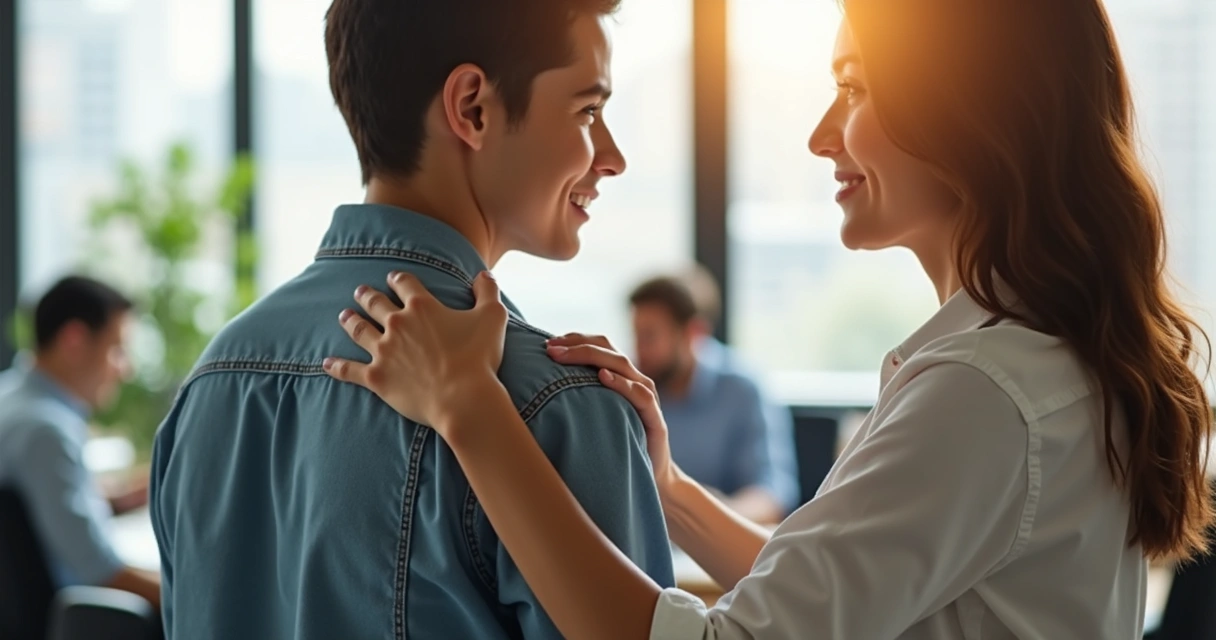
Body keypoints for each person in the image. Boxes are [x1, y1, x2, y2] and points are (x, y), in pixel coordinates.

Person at [323, 0, 1215, 637]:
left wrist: (470, 410)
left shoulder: (984, 395)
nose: (823, 134)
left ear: (970, 109)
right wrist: (669, 489)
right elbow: (838, 600)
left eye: (855, 89)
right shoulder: (1031, 364)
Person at [149, 1, 674, 638]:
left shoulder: (212, 380)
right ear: (472, 109)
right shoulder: (562, 405)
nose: (612, 157)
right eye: (587, 111)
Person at [0, 276, 160, 608]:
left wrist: (125, 496)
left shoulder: (11, 401)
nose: (125, 370)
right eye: (117, 350)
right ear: (73, 340)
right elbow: (102, 571)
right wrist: (202, 598)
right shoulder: (46, 432)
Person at [629, 269, 797, 523]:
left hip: (711, 537)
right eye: (636, 335)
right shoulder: (633, 390)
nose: (637, 351)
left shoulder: (742, 390)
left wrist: (700, 513)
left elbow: (772, 498)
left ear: (694, 333)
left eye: (649, 336)